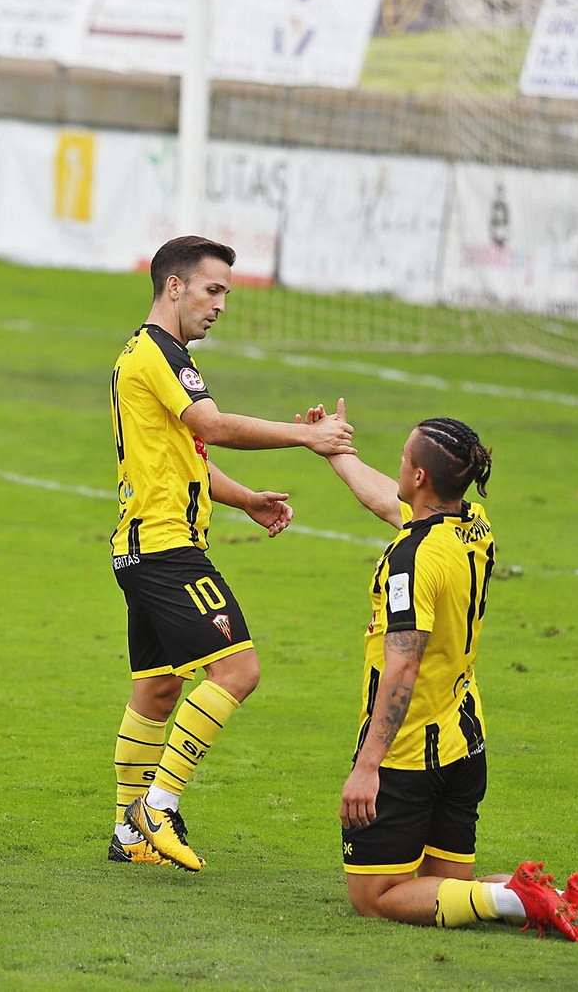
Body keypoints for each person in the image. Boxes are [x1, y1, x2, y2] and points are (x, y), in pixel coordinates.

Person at [311, 404, 578, 943]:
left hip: (408, 753)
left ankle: (514, 898)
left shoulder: (411, 559)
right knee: (446, 889)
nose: (397, 468)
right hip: (465, 744)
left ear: (418, 476)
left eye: (403, 459)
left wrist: (368, 766)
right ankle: (556, 896)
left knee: (375, 898)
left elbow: (403, 665)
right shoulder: (473, 525)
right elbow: (390, 501)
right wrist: (331, 449)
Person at [108, 235, 356, 872]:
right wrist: (306, 436)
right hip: (168, 550)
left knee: (158, 689)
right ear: (175, 287)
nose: (220, 304)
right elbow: (212, 427)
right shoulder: (160, 354)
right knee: (238, 672)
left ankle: (128, 837)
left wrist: (244, 498)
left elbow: (185, 456)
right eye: (212, 289)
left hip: (143, 549)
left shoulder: (149, 355)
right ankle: (155, 809)